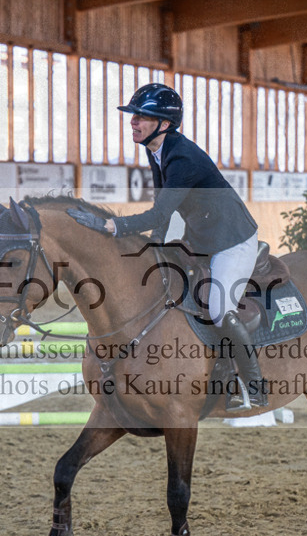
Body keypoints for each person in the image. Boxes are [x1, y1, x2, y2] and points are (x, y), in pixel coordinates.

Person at [67, 83, 266, 410]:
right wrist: (153, 247)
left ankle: (254, 385)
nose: (133, 121)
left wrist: (111, 226)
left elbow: (159, 213)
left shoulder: (183, 157)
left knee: (219, 307)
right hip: (200, 237)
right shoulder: (155, 148)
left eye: (141, 117)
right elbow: (163, 205)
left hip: (233, 240)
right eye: (133, 115)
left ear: (164, 123)